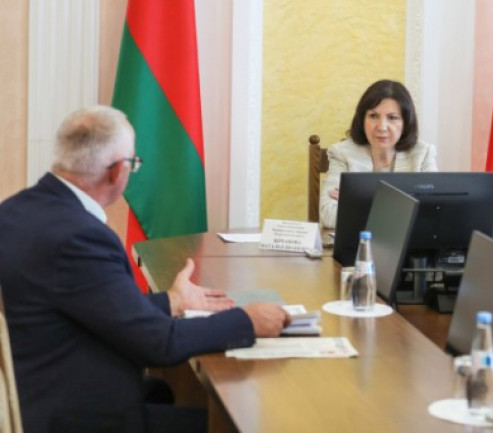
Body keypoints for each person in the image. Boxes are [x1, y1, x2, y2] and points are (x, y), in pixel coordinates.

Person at [0, 106, 288, 433]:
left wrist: (172, 301)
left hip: (37, 394)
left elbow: (92, 304)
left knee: (168, 395)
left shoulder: (14, 211)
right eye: (133, 164)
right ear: (117, 171)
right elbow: (159, 344)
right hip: (74, 417)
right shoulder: (80, 237)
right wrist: (247, 321)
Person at [320, 79, 438, 229]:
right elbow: (328, 215)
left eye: (392, 117)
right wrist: (402, 210)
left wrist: (356, 205)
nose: (382, 127)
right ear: (362, 119)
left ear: (406, 122)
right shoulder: (342, 153)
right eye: (373, 116)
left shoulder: (423, 154)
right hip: (358, 242)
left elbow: (433, 213)